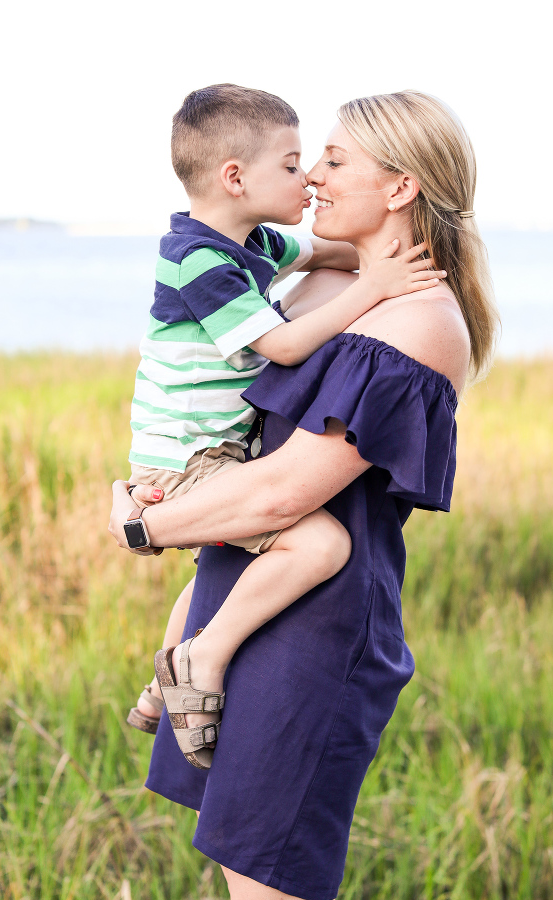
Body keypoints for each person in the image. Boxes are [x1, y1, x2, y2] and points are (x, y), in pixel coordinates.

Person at [109, 90, 499, 900]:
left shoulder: (421, 323)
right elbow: (217, 402)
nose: (314, 177)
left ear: (400, 187)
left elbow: (283, 496)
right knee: (249, 899)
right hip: (245, 593)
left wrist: (140, 525)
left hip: (314, 633)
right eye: (309, 160)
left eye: (334, 161)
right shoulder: (325, 281)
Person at [123, 84, 445, 767]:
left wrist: (370, 256)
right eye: (295, 165)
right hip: (190, 457)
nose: (308, 181)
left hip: (204, 449)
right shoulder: (198, 260)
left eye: (320, 164)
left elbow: (316, 255)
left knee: (224, 562)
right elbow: (284, 345)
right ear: (236, 178)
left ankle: (159, 687)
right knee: (320, 547)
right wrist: (375, 288)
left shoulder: (251, 241)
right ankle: (198, 658)